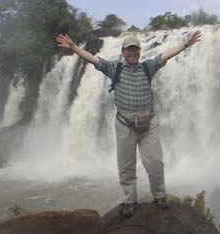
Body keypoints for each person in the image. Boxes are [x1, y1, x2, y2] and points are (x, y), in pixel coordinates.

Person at [56, 30, 201, 217]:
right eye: (129, 50)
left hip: (149, 124)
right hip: (125, 125)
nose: (133, 53)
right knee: (126, 167)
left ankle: (159, 196)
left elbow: (165, 55)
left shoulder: (148, 67)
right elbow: (92, 59)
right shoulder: (114, 68)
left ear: (139, 52)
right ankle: (129, 201)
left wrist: (186, 44)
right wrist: (74, 47)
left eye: (135, 50)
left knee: (155, 163)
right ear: (123, 52)